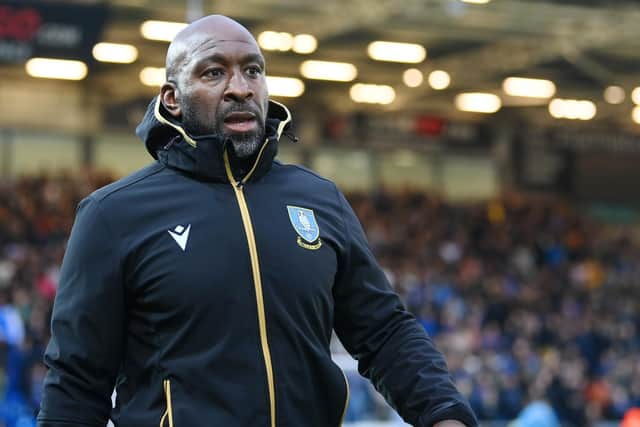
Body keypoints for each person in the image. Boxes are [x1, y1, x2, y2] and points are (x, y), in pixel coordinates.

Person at [37, 15, 478, 427]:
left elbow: (383, 331)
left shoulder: (320, 199)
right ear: (172, 98)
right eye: (213, 73)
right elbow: (77, 382)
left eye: (253, 70)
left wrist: (444, 413)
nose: (240, 88)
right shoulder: (112, 214)